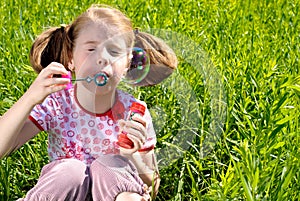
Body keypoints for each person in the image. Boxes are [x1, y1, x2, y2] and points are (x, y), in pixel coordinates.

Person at [0, 4, 177, 201]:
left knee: (111, 165)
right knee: (70, 171)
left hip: (115, 194)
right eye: (92, 49)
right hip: (66, 192)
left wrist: (132, 155)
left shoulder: (135, 113)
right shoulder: (57, 104)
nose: (102, 58)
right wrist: (29, 98)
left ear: (127, 64)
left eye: (114, 51)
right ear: (70, 59)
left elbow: (152, 185)